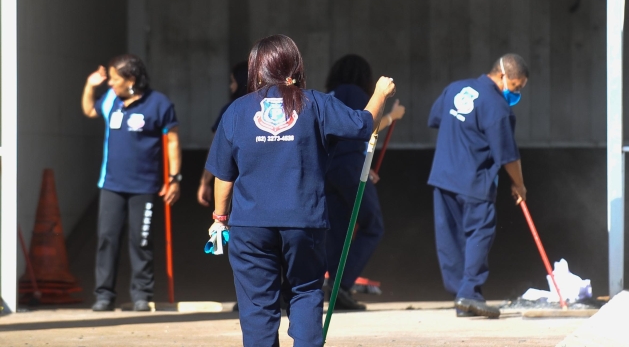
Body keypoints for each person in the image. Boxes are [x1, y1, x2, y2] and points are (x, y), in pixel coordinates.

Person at [205, 35, 396, 347]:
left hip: (250, 226)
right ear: (294, 67)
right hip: (303, 222)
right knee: (305, 291)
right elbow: (363, 126)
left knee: (257, 305)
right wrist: (379, 93)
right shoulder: (315, 104)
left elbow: (224, 176)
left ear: (257, 70)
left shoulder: (236, 112)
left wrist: (219, 217)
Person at [427, 54, 529, 319]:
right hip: (474, 180)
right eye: (516, 86)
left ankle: (460, 296)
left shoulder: (455, 88)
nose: (516, 93)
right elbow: (509, 155)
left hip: (443, 176)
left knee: (449, 238)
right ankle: (469, 293)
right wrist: (519, 185)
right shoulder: (497, 108)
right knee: (479, 233)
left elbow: (436, 118)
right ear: (503, 76)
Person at [81, 54, 181, 312]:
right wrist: (91, 86)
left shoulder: (159, 104)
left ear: (131, 79)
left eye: (115, 79)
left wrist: (174, 179)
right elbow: (90, 109)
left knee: (142, 241)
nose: (111, 84)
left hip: (145, 187)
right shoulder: (111, 100)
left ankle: (141, 295)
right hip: (111, 184)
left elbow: (172, 141)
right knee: (107, 239)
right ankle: (104, 295)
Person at [324, 54, 406, 311]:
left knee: (337, 232)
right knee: (373, 225)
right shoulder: (354, 92)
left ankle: (336, 287)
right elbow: (365, 126)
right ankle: (342, 284)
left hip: (329, 169)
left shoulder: (331, 95)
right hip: (350, 167)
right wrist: (393, 116)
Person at [197, 61, 249, 207]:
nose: (231, 86)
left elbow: (217, 151)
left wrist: (205, 182)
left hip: (237, 189)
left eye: (233, 82)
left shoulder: (232, 109)